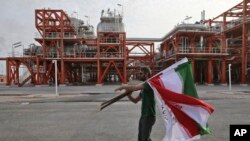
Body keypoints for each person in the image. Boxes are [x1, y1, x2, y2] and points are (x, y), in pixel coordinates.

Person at [115, 67, 156, 141]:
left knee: (145, 139)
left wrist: (123, 86)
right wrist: (128, 95)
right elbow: (135, 100)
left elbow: (135, 87)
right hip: (144, 116)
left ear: (146, 74)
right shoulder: (143, 88)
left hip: (149, 116)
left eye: (141, 73)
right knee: (141, 138)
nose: (139, 75)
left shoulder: (148, 84)